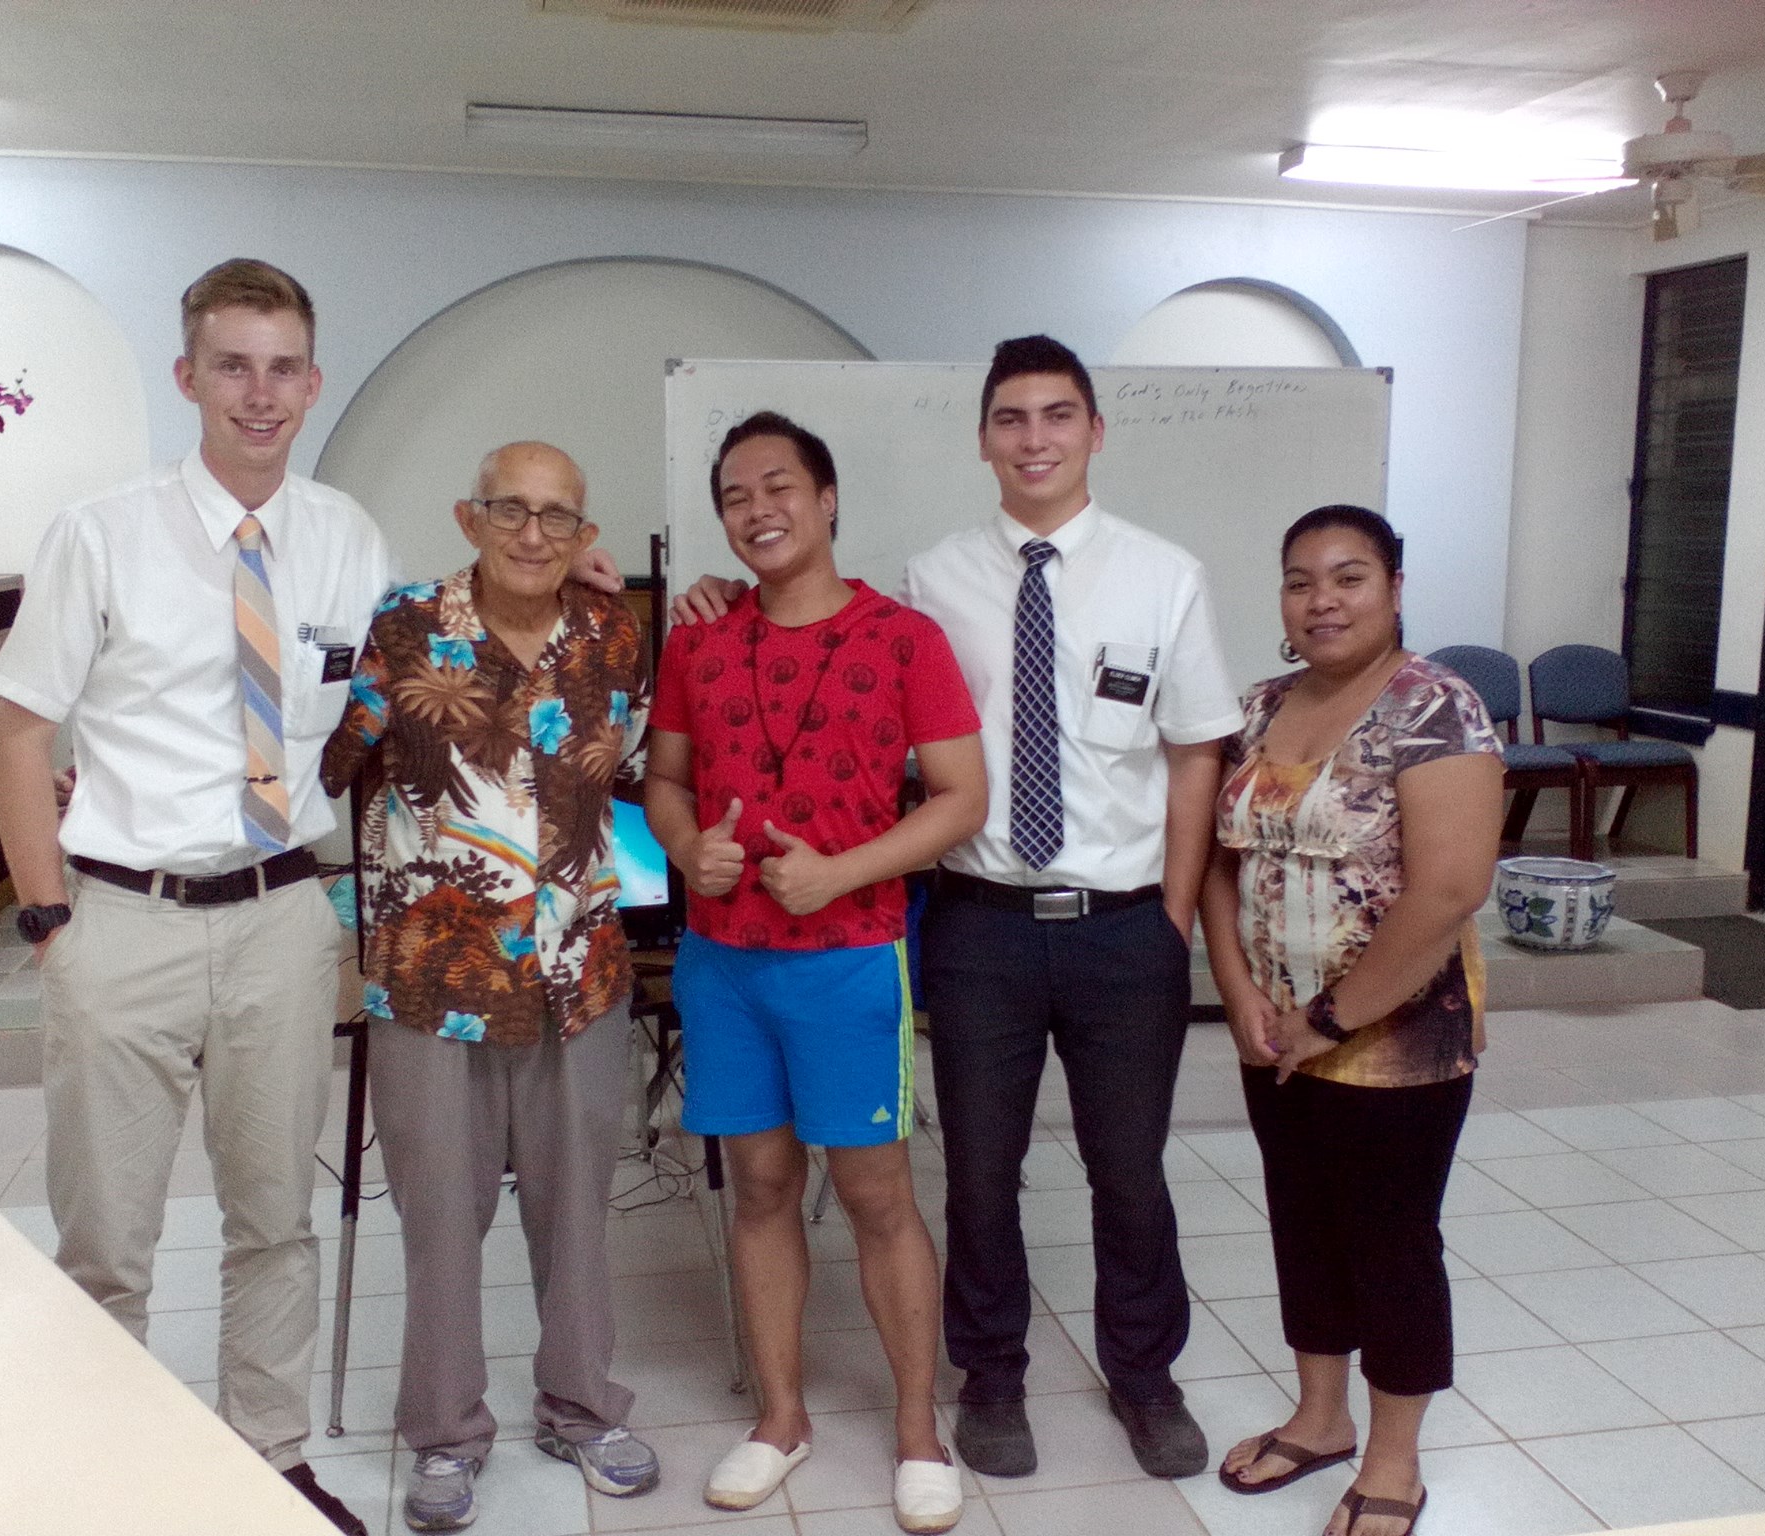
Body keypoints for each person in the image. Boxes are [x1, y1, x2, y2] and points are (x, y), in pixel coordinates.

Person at [674, 338, 1240, 1482]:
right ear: (981, 439)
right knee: (979, 1173)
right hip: (979, 923)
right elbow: (810, 628)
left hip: (1122, 922)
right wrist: (718, 594)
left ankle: (1144, 1377)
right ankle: (989, 1380)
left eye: (1056, 415)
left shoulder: (1163, 575)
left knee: (1128, 1171)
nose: (1033, 439)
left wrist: (1170, 917)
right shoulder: (930, 581)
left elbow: (1194, 754)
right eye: (1009, 419)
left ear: (1092, 431)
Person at [0, 258, 390, 1535]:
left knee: (274, 1220)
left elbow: (383, 688)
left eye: (282, 368)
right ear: (188, 377)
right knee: (107, 1238)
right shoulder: (99, 534)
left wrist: (571, 562)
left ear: (312, 383)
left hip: (279, 918)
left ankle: (270, 1461)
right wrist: (49, 922)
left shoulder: (346, 536)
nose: (259, 394)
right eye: (232, 366)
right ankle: (107, 1478)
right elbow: (18, 734)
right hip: (123, 921)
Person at [646, 412, 987, 1533]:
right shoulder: (698, 641)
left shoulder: (905, 640)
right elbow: (665, 783)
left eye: (779, 486)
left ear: (827, 498)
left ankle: (917, 1431)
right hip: (724, 964)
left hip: (849, 961)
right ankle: (780, 1417)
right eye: (735, 496)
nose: (759, 511)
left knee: (879, 1194)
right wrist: (686, 846)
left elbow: (960, 800)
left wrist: (840, 872)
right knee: (758, 1188)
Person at [318, 443, 660, 1533]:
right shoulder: (403, 627)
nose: (532, 533)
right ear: (469, 517)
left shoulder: (613, 634)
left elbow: (638, 771)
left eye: (558, 516)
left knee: (577, 1214)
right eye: (511, 509)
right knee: (440, 1218)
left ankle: (582, 1407)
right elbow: (322, 761)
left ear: (584, 534)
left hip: (578, 976)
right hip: (434, 980)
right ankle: (445, 1432)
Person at [1200, 504, 1503, 1536]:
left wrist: (1327, 1021)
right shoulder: (1257, 708)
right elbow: (1217, 861)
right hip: (1273, 1029)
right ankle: (1319, 1417)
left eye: (1348, 577)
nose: (1321, 600)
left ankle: (1392, 1460)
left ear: (1393, 588)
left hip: (1396, 1036)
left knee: (1390, 1239)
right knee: (1302, 1220)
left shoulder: (1436, 708)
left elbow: (1449, 888)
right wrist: (1237, 990)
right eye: (1300, 581)